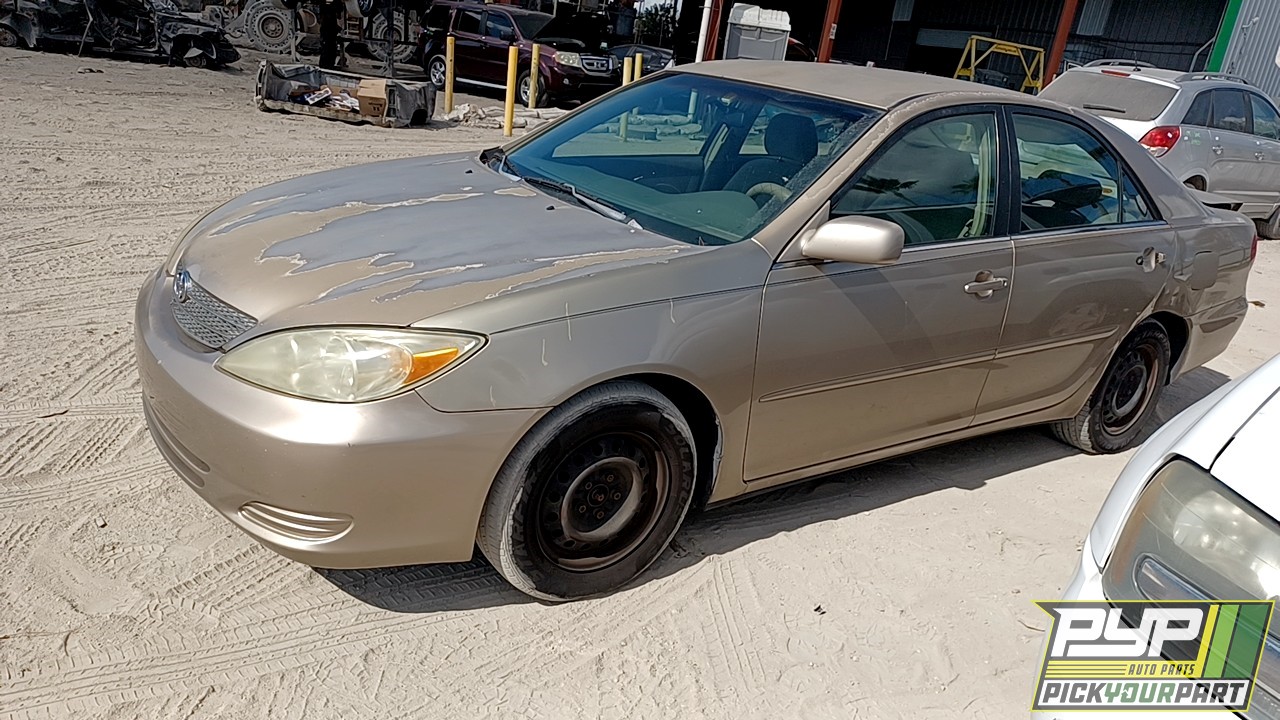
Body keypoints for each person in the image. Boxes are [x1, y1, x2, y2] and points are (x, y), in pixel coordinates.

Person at [317, 0, 343, 69]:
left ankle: (328, 63)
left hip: (330, 22)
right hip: (327, 22)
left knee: (329, 44)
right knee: (327, 44)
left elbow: (339, 8)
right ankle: (326, 64)